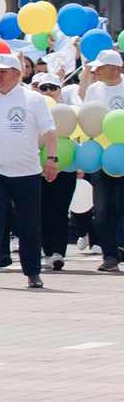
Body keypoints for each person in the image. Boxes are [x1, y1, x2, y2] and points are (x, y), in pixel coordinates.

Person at [0, 51, 59, 289]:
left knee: (29, 224)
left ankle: (32, 272)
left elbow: (49, 131)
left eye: (3, 72)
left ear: (17, 74)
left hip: (27, 172)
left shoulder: (34, 99)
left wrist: (51, 158)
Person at [81, 47, 124, 274]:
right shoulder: (94, 89)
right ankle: (110, 256)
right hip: (100, 156)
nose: (96, 69)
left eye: (100, 66)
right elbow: (88, 119)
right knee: (102, 209)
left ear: (113, 67)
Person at [34, 69, 81, 271]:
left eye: (53, 87)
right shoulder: (33, 111)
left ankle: (58, 252)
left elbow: (77, 137)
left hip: (66, 167)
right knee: (43, 210)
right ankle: (47, 251)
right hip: (38, 169)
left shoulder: (68, 112)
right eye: (44, 88)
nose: (49, 91)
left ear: (59, 89)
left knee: (60, 211)